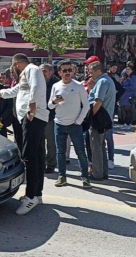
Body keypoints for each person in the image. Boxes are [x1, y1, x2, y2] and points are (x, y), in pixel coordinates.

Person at [0, 53, 49, 215]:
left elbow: (36, 88)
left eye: (12, 67)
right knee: (37, 156)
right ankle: (37, 194)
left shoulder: (32, 70)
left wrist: (31, 110)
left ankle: (31, 196)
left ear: (16, 64)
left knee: (29, 156)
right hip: (32, 117)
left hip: (33, 117)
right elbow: (13, 91)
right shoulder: (25, 74)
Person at [48, 60, 90, 188]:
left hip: (74, 125)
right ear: (59, 72)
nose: (67, 73)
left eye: (69, 70)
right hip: (59, 124)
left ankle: (84, 177)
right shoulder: (56, 86)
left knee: (80, 152)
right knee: (60, 152)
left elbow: (86, 105)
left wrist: (79, 121)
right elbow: (49, 106)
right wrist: (54, 101)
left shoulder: (78, 86)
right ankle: (62, 177)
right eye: (64, 70)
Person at [87, 62, 116, 181]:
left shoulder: (102, 81)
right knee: (101, 146)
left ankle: (97, 173)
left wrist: (89, 117)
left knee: (96, 147)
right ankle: (103, 172)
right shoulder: (108, 80)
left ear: (98, 71)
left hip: (99, 119)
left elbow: (98, 101)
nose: (90, 74)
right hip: (105, 118)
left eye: (91, 71)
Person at [40, 63, 60, 174]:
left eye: (44, 71)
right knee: (40, 141)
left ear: (51, 72)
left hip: (51, 116)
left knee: (51, 143)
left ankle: (51, 165)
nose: (42, 73)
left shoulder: (57, 83)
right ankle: (41, 163)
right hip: (40, 115)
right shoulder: (39, 82)